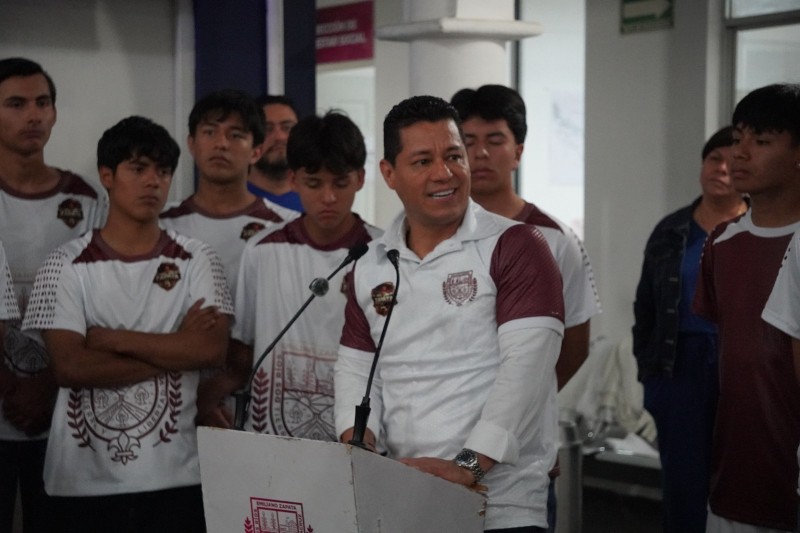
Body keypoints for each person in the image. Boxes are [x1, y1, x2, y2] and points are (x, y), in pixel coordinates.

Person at [334, 95, 565, 532]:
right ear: (389, 173)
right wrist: (359, 445)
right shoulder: (371, 262)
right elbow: (357, 369)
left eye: (454, 156)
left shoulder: (516, 245)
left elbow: (528, 370)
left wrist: (468, 466)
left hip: (499, 505)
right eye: (423, 161)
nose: (445, 173)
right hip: (403, 496)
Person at [21, 116, 233, 532]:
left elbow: (211, 350)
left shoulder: (198, 258)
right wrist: (176, 348)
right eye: (138, 169)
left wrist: (114, 340)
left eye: (163, 171)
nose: (153, 181)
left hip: (176, 476)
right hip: (81, 482)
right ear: (107, 176)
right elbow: (70, 368)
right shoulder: (64, 263)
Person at [0, 57, 107, 532]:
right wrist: (9, 387)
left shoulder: (85, 199)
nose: (33, 115)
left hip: (62, 410)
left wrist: (47, 385)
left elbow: (99, 305)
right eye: (16, 104)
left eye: (42, 103)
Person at [231, 110, 381, 438]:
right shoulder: (261, 250)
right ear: (294, 179)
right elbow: (243, 348)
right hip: (273, 439)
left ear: (360, 178)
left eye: (340, 183)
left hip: (360, 439)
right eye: (314, 184)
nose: (328, 197)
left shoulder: (384, 255)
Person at [694, 83, 800, 532]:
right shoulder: (722, 241)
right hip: (734, 465)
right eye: (738, 138)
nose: (740, 153)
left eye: (762, 141)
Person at [632, 126, 746, 533]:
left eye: (732, 162)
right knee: (683, 484)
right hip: (678, 366)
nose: (722, 169)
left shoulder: (760, 228)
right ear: (701, 165)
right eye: (714, 159)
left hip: (741, 369)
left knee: (741, 480)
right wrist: (650, 379)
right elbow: (645, 306)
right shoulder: (671, 230)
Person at [450, 84, 600, 390]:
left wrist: (529, 401)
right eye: (468, 142)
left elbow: (574, 345)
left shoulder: (555, 238)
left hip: (527, 412)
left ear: (517, 152)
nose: (480, 153)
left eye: (495, 141)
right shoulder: (432, 233)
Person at [247, 94, 304, 212]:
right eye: (267, 129)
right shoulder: (228, 201)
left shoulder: (319, 202)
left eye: (287, 128)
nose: (279, 137)